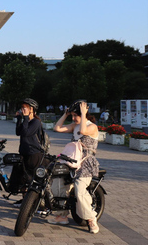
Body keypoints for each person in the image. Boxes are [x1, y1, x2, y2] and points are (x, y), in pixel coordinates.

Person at [50, 100, 100, 234]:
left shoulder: (92, 127)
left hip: (86, 163)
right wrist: (65, 115)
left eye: (75, 115)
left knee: (79, 190)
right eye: (72, 116)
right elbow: (57, 128)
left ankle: (91, 218)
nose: (73, 118)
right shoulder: (74, 125)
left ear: (83, 114)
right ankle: (62, 215)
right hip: (71, 161)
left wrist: (83, 114)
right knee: (57, 182)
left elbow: (84, 131)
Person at [8, 98, 45, 207]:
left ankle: (34, 203)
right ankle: (24, 201)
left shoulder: (36, 122)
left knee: (32, 179)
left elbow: (26, 133)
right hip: (24, 152)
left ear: (31, 109)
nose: (22, 109)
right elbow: (18, 132)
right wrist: (19, 119)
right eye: (22, 108)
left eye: (24, 108)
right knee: (23, 178)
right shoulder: (26, 120)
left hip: (34, 154)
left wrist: (25, 118)